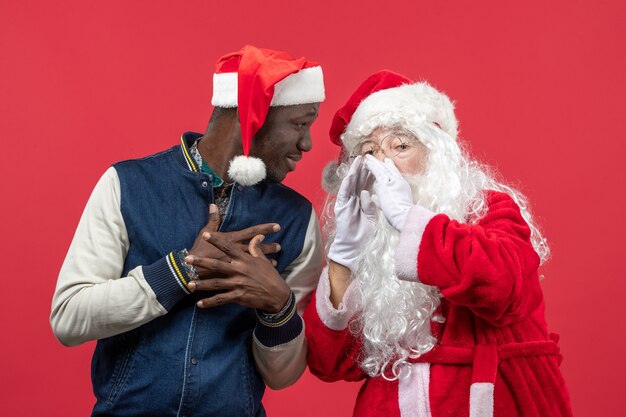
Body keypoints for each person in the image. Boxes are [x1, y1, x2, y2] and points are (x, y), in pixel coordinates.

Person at [50, 45, 325, 417]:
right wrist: (180, 271)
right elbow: (68, 317)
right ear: (254, 116)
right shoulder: (127, 185)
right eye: (300, 124)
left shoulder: (296, 218)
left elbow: (282, 376)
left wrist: (278, 306)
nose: (306, 144)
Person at [304, 70, 573, 417]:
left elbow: (504, 287)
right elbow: (329, 364)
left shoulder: (488, 209)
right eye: (369, 152)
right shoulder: (370, 242)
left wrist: (408, 218)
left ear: (436, 151)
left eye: (401, 146)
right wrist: (344, 257)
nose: (384, 164)